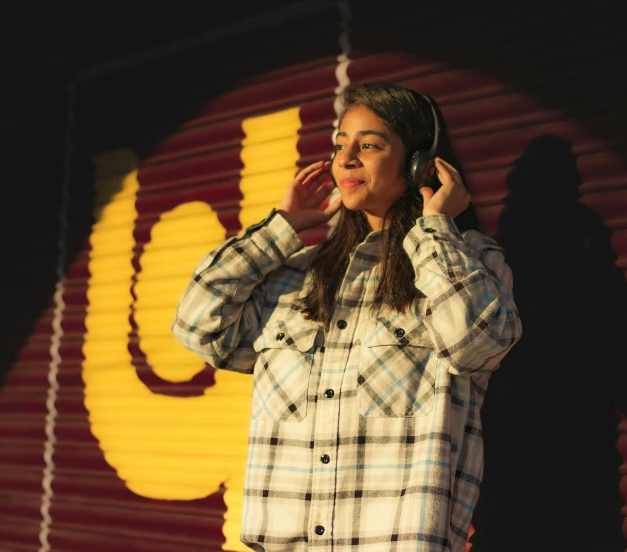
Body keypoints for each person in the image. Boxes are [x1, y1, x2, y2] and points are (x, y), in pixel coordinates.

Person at [172, 81, 522, 551]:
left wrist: (435, 228)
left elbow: (477, 345)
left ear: (419, 162)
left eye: (370, 144)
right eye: (340, 145)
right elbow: (197, 328)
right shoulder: (297, 277)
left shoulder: (466, 264)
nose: (346, 159)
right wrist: (275, 233)